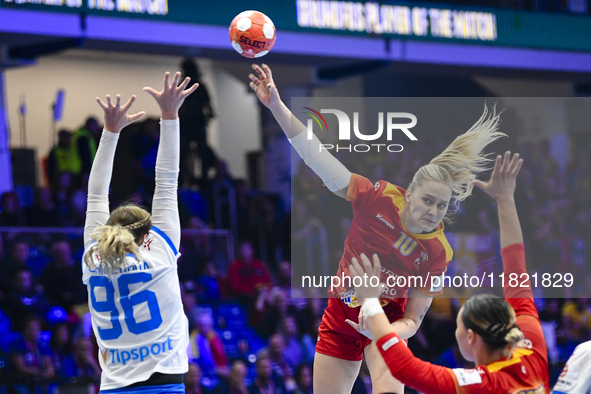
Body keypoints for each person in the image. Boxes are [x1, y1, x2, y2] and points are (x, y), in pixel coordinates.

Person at [248, 63, 506, 393]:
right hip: (341, 318)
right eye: (427, 200)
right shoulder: (376, 197)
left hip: (386, 326)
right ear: (409, 193)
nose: (433, 211)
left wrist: (383, 330)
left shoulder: (438, 251)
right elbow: (318, 157)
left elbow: (413, 320)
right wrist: (276, 106)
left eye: (442, 205)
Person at [350, 152, 551, 394]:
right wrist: (505, 198)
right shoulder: (531, 345)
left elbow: (406, 369)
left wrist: (371, 302)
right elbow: (515, 268)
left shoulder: (483, 383)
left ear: (470, 338)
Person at [82, 71, 198, 392]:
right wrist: (169, 115)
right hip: (163, 383)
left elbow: (95, 195)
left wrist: (109, 132)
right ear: (147, 235)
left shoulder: (94, 257)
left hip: (114, 385)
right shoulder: (158, 251)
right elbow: (166, 181)